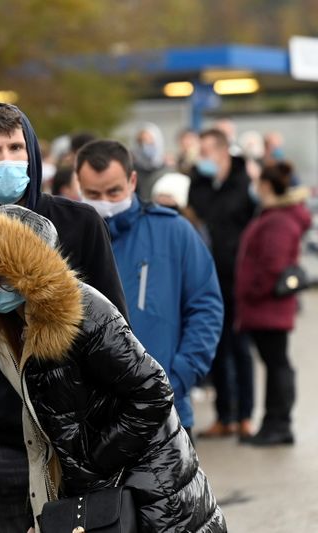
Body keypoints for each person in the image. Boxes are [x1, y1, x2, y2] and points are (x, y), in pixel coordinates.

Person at [0, 204, 226, 532]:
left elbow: (153, 391)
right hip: (105, 490)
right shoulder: (7, 326)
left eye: (2, 275)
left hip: (151, 488)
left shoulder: (84, 313)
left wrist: (94, 463)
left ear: (31, 271)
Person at [0, 102, 127, 532]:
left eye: (15, 147)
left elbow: (116, 332)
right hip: (1, 444)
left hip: (76, 440)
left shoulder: (80, 223)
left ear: (33, 153)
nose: (5, 160)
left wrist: (106, 431)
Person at [76, 140, 224, 439]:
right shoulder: (68, 235)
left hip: (167, 409)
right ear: (79, 186)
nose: (105, 201)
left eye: (114, 191)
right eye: (93, 194)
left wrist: (179, 375)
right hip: (92, 417)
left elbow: (205, 306)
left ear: (132, 181)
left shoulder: (173, 231)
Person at [235, 162, 311, 446]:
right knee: (276, 364)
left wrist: (252, 292)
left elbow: (272, 265)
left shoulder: (278, 219)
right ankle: (274, 423)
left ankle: (279, 425)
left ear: (266, 185)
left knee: (277, 364)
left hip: (266, 307)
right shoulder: (277, 215)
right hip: (267, 307)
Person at [189, 129, 257, 440]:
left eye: (206, 152)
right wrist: (201, 177)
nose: (202, 158)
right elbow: (200, 210)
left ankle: (245, 415)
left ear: (223, 151)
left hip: (240, 278)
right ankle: (224, 416)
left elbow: (238, 217)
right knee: (217, 347)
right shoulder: (204, 182)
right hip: (212, 278)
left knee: (241, 348)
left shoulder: (244, 181)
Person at [131, 122, 167, 201]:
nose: (145, 145)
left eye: (150, 141)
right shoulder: (132, 171)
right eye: (141, 141)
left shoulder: (167, 171)